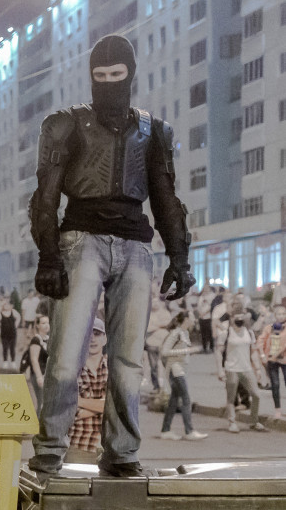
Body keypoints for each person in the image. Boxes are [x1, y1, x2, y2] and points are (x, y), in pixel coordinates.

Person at [27, 34, 194, 477]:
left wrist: (179, 257)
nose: (107, 83)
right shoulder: (64, 124)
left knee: (128, 362)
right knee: (65, 356)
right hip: (80, 239)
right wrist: (48, 256)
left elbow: (165, 197)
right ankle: (49, 450)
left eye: (116, 75)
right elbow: (45, 197)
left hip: (136, 244)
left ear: (130, 75)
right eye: (99, 76)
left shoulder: (154, 130)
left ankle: (122, 454)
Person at [215, 301, 268, 433]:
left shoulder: (248, 333)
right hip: (231, 369)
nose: (239, 320)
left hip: (246, 368)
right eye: (236, 317)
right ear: (231, 318)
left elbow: (252, 351)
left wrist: (257, 369)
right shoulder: (226, 333)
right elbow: (218, 351)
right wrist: (220, 370)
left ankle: (254, 421)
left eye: (241, 317)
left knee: (256, 394)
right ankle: (232, 422)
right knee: (231, 397)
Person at [158, 312, 207, 440]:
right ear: (186, 319)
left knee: (173, 401)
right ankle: (189, 431)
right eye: (191, 317)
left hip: (180, 369)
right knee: (186, 399)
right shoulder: (176, 333)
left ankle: (165, 430)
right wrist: (187, 351)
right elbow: (165, 351)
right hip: (175, 370)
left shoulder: (184, 333)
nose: (194, 320)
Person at [65, 318, 107, 463]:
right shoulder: (71, 371)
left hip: (110, 451)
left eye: (97, 333)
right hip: (79, 447)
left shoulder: (114, 370)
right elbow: (69, 412)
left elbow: (118, 406)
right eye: (87, 334)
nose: (92, 339)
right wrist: (104, 405)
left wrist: (79, 401)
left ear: (105, 339)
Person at [256, 304, 286, 421]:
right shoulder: (269, 327)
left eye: (284, 314)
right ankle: (277, 410)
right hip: (272, 360)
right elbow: (261, 340)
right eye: (279, 314)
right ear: (275, 315)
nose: (282, 316)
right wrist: (262, 355)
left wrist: (279, 352)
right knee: (275, 385)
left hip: (284, 359)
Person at [25, 312, 50, 409]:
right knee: (42, 403)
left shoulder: (48, 339)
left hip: (47, 374)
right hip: (39, 374)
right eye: (43, 323)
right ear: (38, 325)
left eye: (47, 323)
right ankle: (39, 423)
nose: (46, 325)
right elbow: (34, 359)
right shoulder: (36, 339)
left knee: (46, 403)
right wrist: (39, 377)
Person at [0, 295, 21, 369]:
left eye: (7, 304)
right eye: (5, 305)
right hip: (4, 334)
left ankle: (13, 362)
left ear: (11, 306)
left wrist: (16, 325)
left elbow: (19, 317)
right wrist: (0, 325)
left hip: (13, 334)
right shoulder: (0, 313)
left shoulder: (13, 312)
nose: (6, 306)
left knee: (12, 348)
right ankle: (5, 362)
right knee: (5, 348)